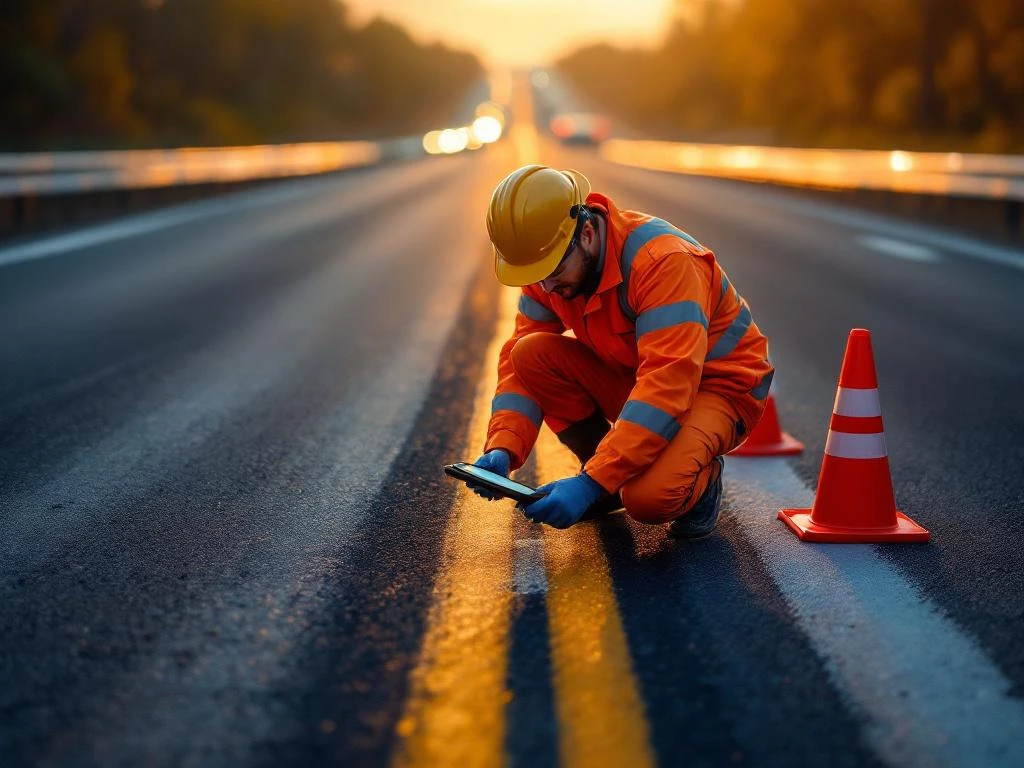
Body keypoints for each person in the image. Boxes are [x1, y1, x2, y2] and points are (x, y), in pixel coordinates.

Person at [469, 164, 773, 538]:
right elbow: (519, 368)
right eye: (536, 275)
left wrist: (591, 484)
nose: (546, 288)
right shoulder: (549, 266)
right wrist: (503, 447)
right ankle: (605, 472)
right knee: (529, 353)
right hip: (640, 377)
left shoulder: (663, 263)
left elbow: (667, 385)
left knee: (647, 499)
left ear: (586, 231)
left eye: (554, 270)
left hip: (718, 388)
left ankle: (701, 483)